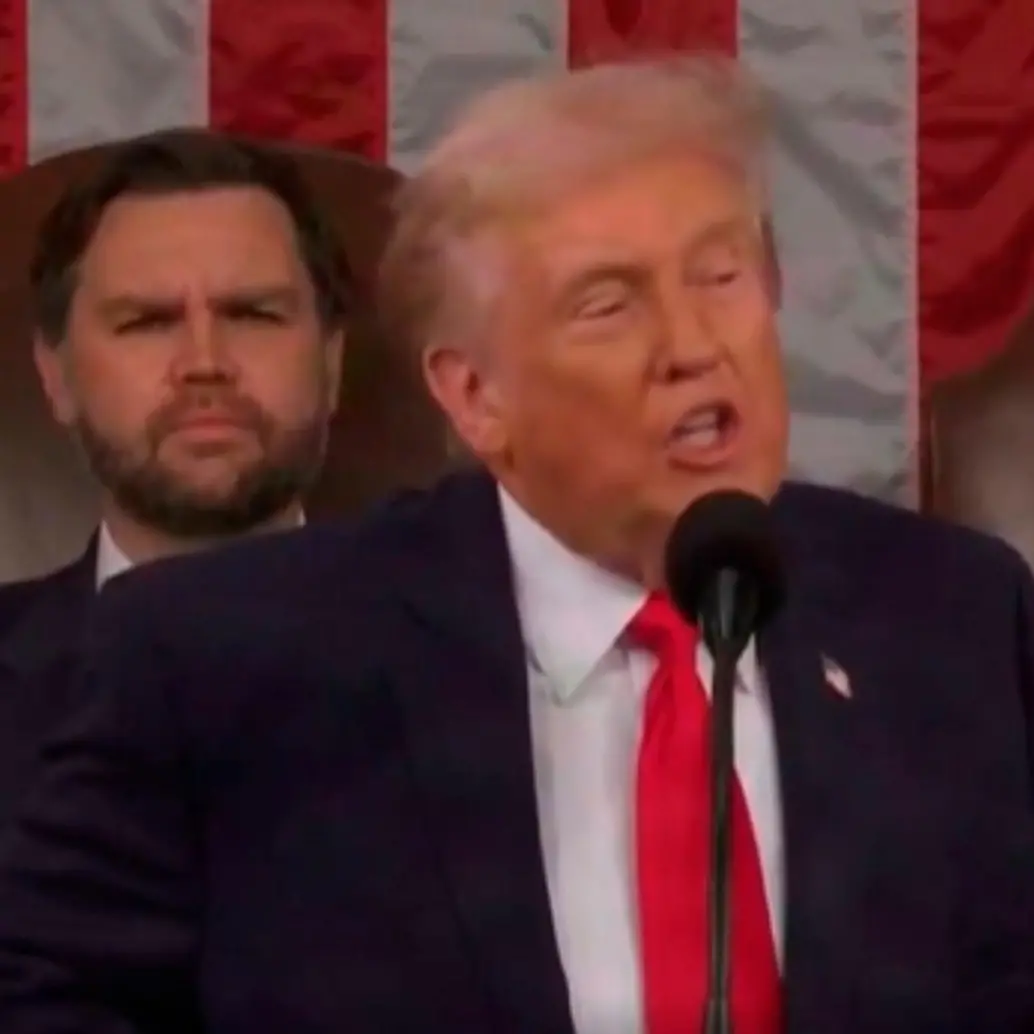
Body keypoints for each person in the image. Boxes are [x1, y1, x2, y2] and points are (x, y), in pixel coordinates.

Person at [0, 54, 1032, 1034]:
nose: (690, 345)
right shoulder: (226, 655)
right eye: (608, 303)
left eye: (719, 276)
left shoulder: (950, 613)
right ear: (475, 395)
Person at [0, 129, 349, 832]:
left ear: (332, 361)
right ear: (55, 376)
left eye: (253, 314)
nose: (204, 362)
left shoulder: (482, 669)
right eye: (147, 321)